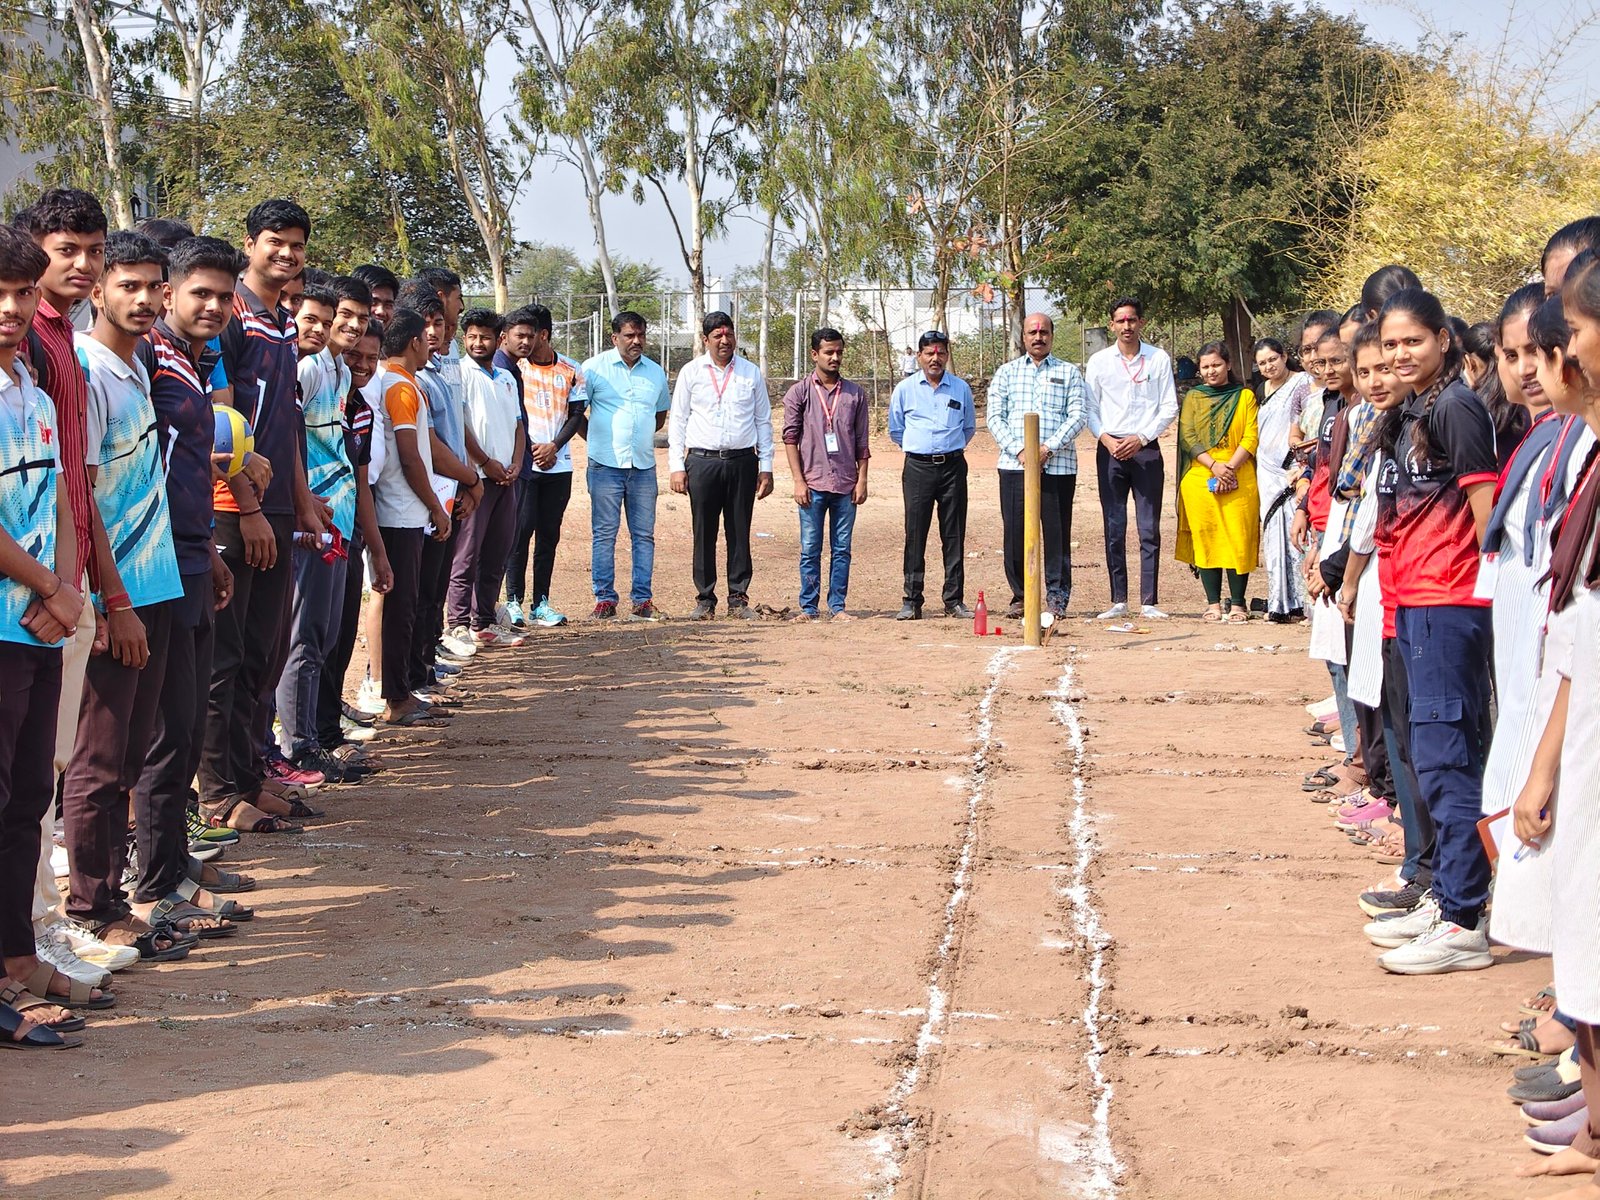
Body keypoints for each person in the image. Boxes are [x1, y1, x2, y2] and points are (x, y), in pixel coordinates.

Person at [60, 232, 193, 949]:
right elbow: (82, 498)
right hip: (118, 597)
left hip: (157, 582)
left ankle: (114, 898)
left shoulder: (135, 365)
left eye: (151, 287)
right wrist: (113, 603)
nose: (141, 300)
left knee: (133, 755)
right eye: (127, 286)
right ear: (101, 290)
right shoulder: (85, 370)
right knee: (101, 758)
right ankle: (91, 907)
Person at [1367, 287, 1499, 975]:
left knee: (1449, 758)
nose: (1399, 355)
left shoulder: (1455, 407)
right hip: (1416, 600)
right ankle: (1447, 894)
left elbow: (1485, 510)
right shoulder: (1413, 410)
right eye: (1390, 344)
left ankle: (1464, 918)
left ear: (1443, 340)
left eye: (1412, 341)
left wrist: (1490, 601)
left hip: (1450, 601)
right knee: (1430, 755)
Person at [1510, 254, 1600, 1186]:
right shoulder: (1589, 457)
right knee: (1584, 919)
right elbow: (1579, 631)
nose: (1550, 358)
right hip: (1584, 721)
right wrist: (1545, 761)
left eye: (1567, 335)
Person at [0, 223, 101, 1047]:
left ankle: (15, 958)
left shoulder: (30, 391)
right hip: (9, 623)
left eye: (21, 293)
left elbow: (63, 499)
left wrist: (65, 589)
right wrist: (46, 587)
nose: (10, 308)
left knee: (29, 797)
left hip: (40, 625)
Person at [204, 199, 327, 829]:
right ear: (250, 243)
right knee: (224, 659)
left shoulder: (282, 322)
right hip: (235, 510)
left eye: (297, 245)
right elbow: (220, 428)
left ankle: (249, 775)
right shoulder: (231, 317)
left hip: (275, 510)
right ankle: (218, 794)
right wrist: (248, 507)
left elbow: (288, 425)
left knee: (262, 655)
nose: (287, 253)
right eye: (275, 241)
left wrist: (301, 502)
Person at [18, 190, 113, 962]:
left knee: (45, 766)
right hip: (33, 592)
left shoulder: (66, 341)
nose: (83, 265)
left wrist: (83, 586)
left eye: (93, 250)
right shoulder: (31, 344)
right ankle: (38, 931)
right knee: (31, 776)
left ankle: (40, 930)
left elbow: (75, 478)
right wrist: (53, 587)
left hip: (65, 583)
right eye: (66, 251)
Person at [275, 275, 372, 780]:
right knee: (305, 636)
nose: (351, 327)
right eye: (343, 317)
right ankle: (297, 745)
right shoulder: (308, 367)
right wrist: (303, 508)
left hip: (339, 521)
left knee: (324, 636)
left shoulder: (336, 369)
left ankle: (310, 737)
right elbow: (288, 438)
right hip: (313, 524)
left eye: (358, 318)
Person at [315, 319, 393, 762]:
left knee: (340, 633)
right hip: (316, 532)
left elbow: (361, 483)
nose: (362, 364)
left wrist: (376, 551)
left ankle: (327, 731)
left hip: (349, 532)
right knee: (313, 640)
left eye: (371, 358)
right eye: (353, 355)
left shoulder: (361, 408)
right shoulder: (319, 396)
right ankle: (305, 738)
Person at [372, 308, 452, 727]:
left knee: (406, 606)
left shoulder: (399, 382)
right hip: (399, 511)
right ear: (414, 342)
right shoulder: (400, 387)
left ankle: (401, 691)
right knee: (401, 608)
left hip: (402, 509)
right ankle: (396, 697)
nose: (431, 345)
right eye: (426, 337)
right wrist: (435, 506)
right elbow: (410, 455)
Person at [668, 311, 774, 620]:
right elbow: (678, 420)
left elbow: (763, 421)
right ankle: (705, 599)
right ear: (706, 340)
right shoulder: (691, 372)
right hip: (702, 462)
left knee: (739, 530)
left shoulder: (750, 373)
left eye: (729, 334)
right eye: (717, 336)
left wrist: (766, 466)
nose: (724, 340)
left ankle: (738, 598)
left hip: (742, 461)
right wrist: (676, 465)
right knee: (704, 531)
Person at [987, 313, 1087, 620]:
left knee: (1057, 534)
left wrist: (1047, 449)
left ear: (1052, 336)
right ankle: (1021, 596)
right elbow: (994, 417)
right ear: (1024, 337)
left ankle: (1056, 598)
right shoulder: (1006, 373)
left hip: (1057, 467)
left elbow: (1078, 416)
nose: (1038, 337)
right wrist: (1021, 451)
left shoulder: (1069, 372)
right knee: (1015, 532)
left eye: (1044, 332)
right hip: (1014, 465)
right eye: (1032, 332)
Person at [1084, 297, 1178, 620]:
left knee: (1149, 527)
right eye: (1121, 321)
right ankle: (1118, 599)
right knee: (1114, 525)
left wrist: (1141, 438)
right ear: (1112, 325)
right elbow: (1090, 408)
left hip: (1145, 449)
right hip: (1110, 449)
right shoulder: (1099, 362)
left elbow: (1169, 407)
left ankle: (1148, 601)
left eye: (1132, 320)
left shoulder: (1158, 359)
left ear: (1141, 323)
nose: (1127, 326)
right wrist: (1107, 439)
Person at [580, 310, 670, 621]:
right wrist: (596, 440)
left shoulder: (655, 372)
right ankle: (605, 599)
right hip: (605, 465)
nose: (636, 341)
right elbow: (578, 412)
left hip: (643, 467)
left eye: (641, 335)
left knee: (643, 536)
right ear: (614, 337)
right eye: (629, 335)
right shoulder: (593, 369)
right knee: (605, 534)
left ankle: (642, 601)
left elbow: (660, 415)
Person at [499, 305, 583, 629]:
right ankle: (513, 601)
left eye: (531, 335)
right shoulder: (515, 368)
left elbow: (576, 415)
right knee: (519, 532)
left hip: (559, 466)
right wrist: (532, 449)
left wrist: (554, 446)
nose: (525, 341)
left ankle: (541, 603)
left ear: (543, 335)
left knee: (549, 535)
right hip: (526, 465)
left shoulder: (571, 369)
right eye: (521, 335)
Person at [448, 308, 526, 645]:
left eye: (485, 337)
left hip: (506, 480)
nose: (478, 343)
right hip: (476, 479)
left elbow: (518, 425)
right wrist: (485, 462)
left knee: (497, 552)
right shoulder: (460, 374)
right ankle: (457, 624)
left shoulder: (506, 377)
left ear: (499, 339)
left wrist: (517, 463)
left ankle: (484, 622)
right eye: (472, 337)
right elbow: (460, 425)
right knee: (466, 554)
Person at [781, 327, 870, 621]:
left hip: (846, 483)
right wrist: (798, 481)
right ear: (814, 354)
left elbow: (862, 442)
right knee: (810, 548)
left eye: (839, 352)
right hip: (812, 483)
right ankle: (808, 607)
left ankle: (838, 606)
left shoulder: (855, 394)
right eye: (829, 352)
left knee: (842, 549)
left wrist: (862, 479)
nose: (835, 357)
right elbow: (790, 439)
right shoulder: (799, 393)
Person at [888, 329, 976, 620]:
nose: (935, 359)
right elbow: (896, 430)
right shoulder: (905, 389)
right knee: (915, 534)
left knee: (954, 534)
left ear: (947, 356)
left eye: (940, 353)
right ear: (919, 356)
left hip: (953, 468)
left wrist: (948, 448)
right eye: (929, 353)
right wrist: (922, 449)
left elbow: (968, 427)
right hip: (918, 468)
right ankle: (912, 601)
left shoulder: (960, 388)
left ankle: (954, 600)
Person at [1175, 341, 1259, 621]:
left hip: (1239, 472)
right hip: (1201, 474)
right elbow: (1188, 437)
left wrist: (1229, 468)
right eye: (1206, 366)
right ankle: (1212, 603)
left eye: (1216, 365)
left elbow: (1250, 436)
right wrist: (1214, 466)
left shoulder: (1244, 396)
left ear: (1229, 365)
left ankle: (1237, 604)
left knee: (1238, 536)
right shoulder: (1193, 397)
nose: (1211, 371)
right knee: (1206, 536)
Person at [1252, 337, 1311, 621]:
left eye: (1272, 359)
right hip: (1267, 472)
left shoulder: (1302, 383)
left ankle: (1303, 601)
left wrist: (1300, 464)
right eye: (1262, 363)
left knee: (1297, 532)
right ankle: (1280, 602)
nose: (1268, 366)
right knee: (1273, 532)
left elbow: (1305, 422)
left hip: (1292, 468)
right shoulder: (1261, 390)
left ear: (1284, 356)